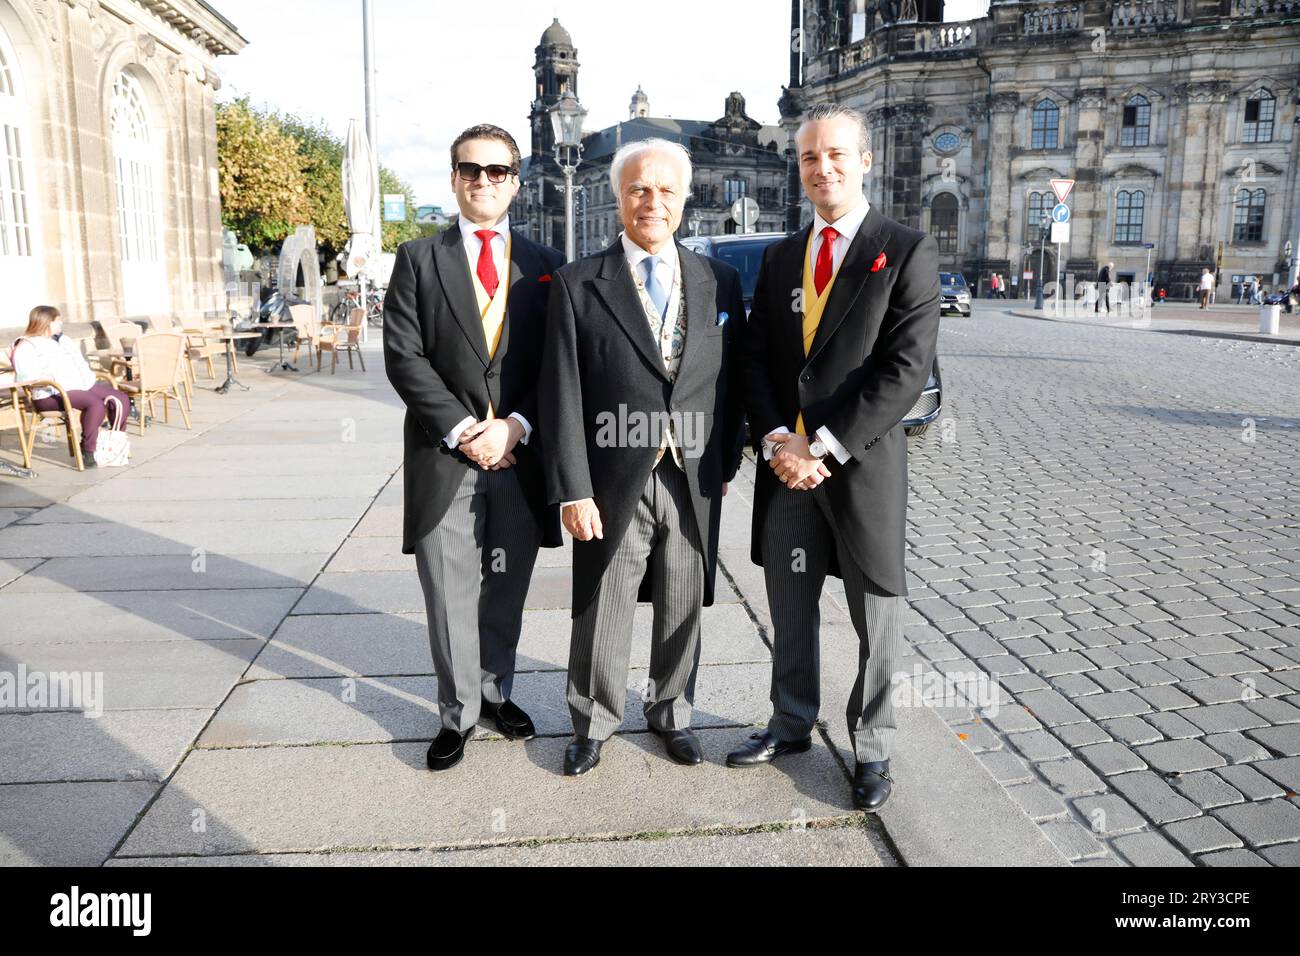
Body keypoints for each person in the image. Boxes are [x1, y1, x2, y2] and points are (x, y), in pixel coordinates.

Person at [728, 103, 940, 813]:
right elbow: (755, 360)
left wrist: (822, 444)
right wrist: (775, 440)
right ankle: (791, 723)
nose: (823, 168)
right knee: (790, 607)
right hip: (786, 469)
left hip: (860, 469)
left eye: (836, 155)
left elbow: (903, 371)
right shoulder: (782, 256)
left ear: (865, 160)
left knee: (875, 613)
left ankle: (872, 748)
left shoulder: (904, 249)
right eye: (810, 157)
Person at [539, 138, 746, 776]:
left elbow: (732, 378)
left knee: (685, 598)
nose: (651, 203)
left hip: (692, 472)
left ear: (684, 199)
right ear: (618, 196)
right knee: (604, 599)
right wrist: (572, 488)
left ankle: (672, 713)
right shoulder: (578, 283)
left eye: (665, 191)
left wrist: (727, 458)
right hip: (609, 475)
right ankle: (593, 721)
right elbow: (561, 391)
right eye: (638, 190)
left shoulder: (720, 280)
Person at [382, 124, 564, 772]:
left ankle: (494, 694)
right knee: (448, 591)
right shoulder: (417, 260)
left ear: (514, 181)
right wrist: (465, 430)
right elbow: (404, 358)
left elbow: (557, 365)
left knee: (504, 588)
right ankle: (456, 714)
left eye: (495, 170)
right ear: (454, 178)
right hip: (444, 457)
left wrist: (514, 425)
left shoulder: (546, 266)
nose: (481, 180)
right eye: (469, 170)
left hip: (521, 457)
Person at [11, 306, 129, 467]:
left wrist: (88, 378)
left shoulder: (63, 339)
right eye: (58, 321)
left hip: (79, 386)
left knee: (120, 398)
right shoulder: (26, 345)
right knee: (95, 404)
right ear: (46, 323)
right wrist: (51, 378)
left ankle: (114, 444)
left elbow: (79, 364)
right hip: (49, 394)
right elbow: (26, 378)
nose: (61, 324)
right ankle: (88, 450)